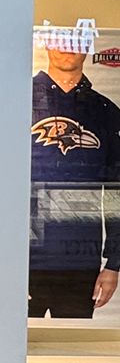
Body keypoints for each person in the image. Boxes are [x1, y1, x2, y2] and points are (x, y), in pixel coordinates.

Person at [30, 43, 120, 317]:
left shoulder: (105, 112)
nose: (67, 47)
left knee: (70, 350)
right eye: (59, 39)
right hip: (21, 259)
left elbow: (116, 192)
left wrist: (113, 263)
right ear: (46, 44)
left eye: (76, 40)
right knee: (10, 352)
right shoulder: (17, 101)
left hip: (80, 262)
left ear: (87, 47)